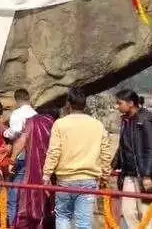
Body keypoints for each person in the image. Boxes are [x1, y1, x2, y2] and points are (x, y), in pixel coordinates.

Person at [42, 89, 111, 229]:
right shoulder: (97, 125)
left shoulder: (60, 124)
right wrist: (105, 175)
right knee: (84, 223)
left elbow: (54, 151)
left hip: (65, 180)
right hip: (89, 180)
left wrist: (46, 174)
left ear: (68, 104)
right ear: (84, 105)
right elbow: (105, 153)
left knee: (63, 217)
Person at [112, 89, 152, 228]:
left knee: (145, 213)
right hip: (128, 174)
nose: (117, 106)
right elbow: (122, 146)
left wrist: (146, 175)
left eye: (119, 103)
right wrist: (112, 166)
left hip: (144, 175)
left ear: (131, 103)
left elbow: (151, 149)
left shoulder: (146, 119)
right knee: (127, 211)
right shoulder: (125, 120)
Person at [13, 107, 57, 228]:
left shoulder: (32, 122)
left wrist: (12, 160)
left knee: (30, 199)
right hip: (52, 171)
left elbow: (22, 141)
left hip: (33, 170)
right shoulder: (55, 124)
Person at [4, 88, 37, 225]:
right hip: (34, 157)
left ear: (17, 100)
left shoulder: (17, 114)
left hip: (21, 156)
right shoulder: (36, 114)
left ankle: (13, 224)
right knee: (28, 194)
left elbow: (16, 133)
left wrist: (5, 133)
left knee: (14, 195)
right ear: (28, 98)